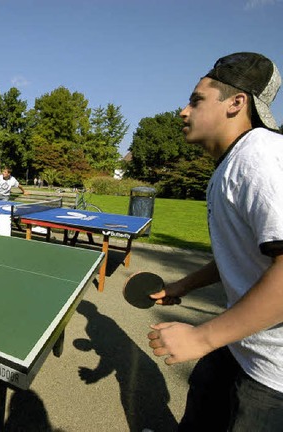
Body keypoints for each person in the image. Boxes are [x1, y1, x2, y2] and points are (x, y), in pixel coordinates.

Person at [146, 52, 283, 431]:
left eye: (196, 100)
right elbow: (246, 255)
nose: (183, 112)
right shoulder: (233, 163)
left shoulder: (261, 156)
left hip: (272, 376)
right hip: (240, 346)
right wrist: (183, 285)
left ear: (236, 103)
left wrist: (203, 337)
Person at [0, 167, 27, 232]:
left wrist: (24, 191)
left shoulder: (12, 179)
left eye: (5, 172)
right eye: (3, 172)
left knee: (3, 212)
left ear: (9, 174)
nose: (3, 173)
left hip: (5, 197)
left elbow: (19, 185)